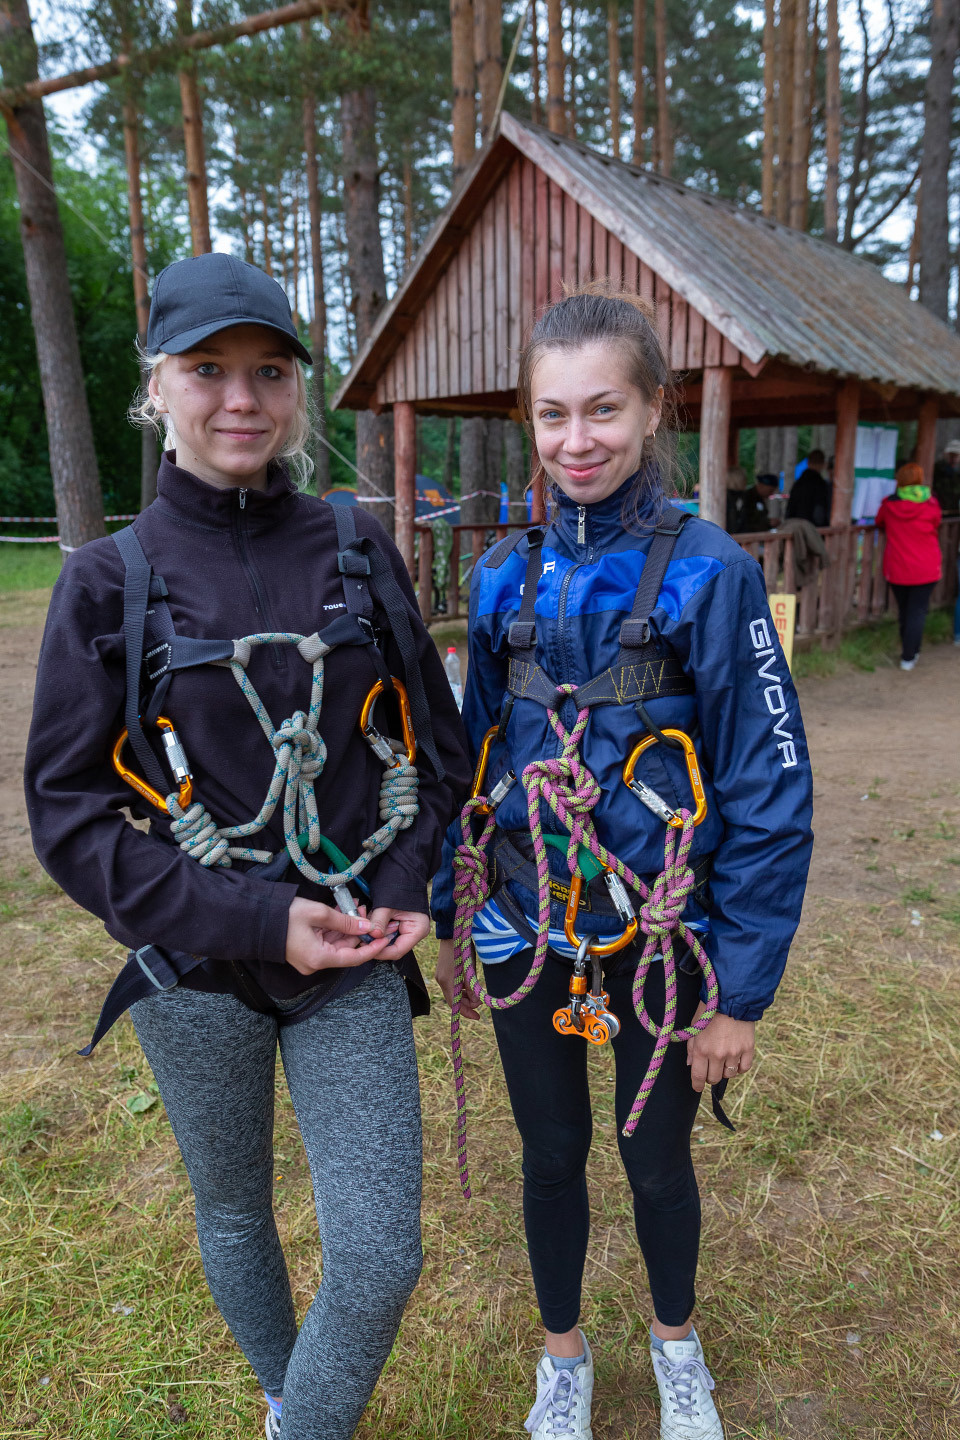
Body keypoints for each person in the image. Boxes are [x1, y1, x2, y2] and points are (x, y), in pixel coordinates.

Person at [23, 252, 471, 1440]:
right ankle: (295, 1400)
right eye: (207, 370)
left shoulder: (356, 546)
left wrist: (407, 880)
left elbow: (441, 746)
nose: (242, 399)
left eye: (269, 371)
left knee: (379, 1253)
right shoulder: (108, 583)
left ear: (294, 390)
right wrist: (259, 920)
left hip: (358, 948)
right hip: (196, 965)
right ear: (156, 389)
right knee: (234, 1216)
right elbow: (68, 817)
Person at [432, 286, 813, 1440]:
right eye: (553, 416)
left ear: (655, 410)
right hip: (525, 924)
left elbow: (768, 783)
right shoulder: (503, 578)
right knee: (551, 1155)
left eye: (603, 410)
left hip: (661, 933)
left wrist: (739, 992)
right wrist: (459, 894)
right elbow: (472, 757)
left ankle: (675, 1347)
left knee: (655, 1161)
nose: (576, 440)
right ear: (531, 423)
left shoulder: (713, 576)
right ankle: (565, 1360)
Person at [874, 461, 943, 671]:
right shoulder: (930, 503)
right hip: (927, 566)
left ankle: (909, 651)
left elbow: (879, 522)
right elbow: (937, 522)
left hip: (898, 567)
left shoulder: (889, 505)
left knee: (905, 610)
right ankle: (910, 653)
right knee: (917, 611)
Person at [785, 448, 830, 527]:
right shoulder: (820, 485)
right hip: (812, 529)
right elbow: (819, 512)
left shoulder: (798, 484)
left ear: (808, 463)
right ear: (823, 464)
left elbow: (789, 509)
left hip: (794, 527)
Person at [932, 438, 960, 515]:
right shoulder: (938, 468)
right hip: (939, 509)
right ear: (947, 454)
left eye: (956, 455)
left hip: (956, 511)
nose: (953, 457)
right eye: (951, 454)